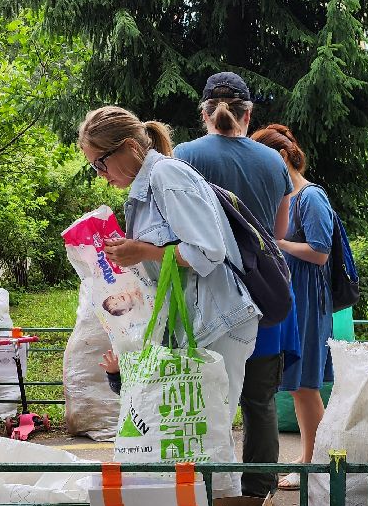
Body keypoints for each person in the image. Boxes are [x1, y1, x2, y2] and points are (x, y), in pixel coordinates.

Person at [77, 105, 261, 443]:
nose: (100, 173)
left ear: (130, 147)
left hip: (218, 323)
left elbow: (208, 250)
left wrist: (143, 250)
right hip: (194, 324)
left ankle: (220, 496)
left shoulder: (167, 175)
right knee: (193, 439)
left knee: (208, 439)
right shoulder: (145, 187)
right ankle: (206, 496)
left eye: (100, 163)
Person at [174, 72, 296, 499]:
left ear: (204, 113)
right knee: (259, 403)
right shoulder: (273, 161)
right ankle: (259, 495)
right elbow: (278, 232)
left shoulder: (185, 155)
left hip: (207, 299)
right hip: (263, 294)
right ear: (249, 114)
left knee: (204, 399)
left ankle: (209, 492)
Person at [251, 124, 333, 488]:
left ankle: (317, 464)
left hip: (309, 296)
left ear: (283, 158)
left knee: (307, 384)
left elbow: (319, 252)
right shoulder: (289, 197)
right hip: (293, 295)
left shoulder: (311, 197)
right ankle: (308, 457)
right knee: (298, 384)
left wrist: (275, 242)